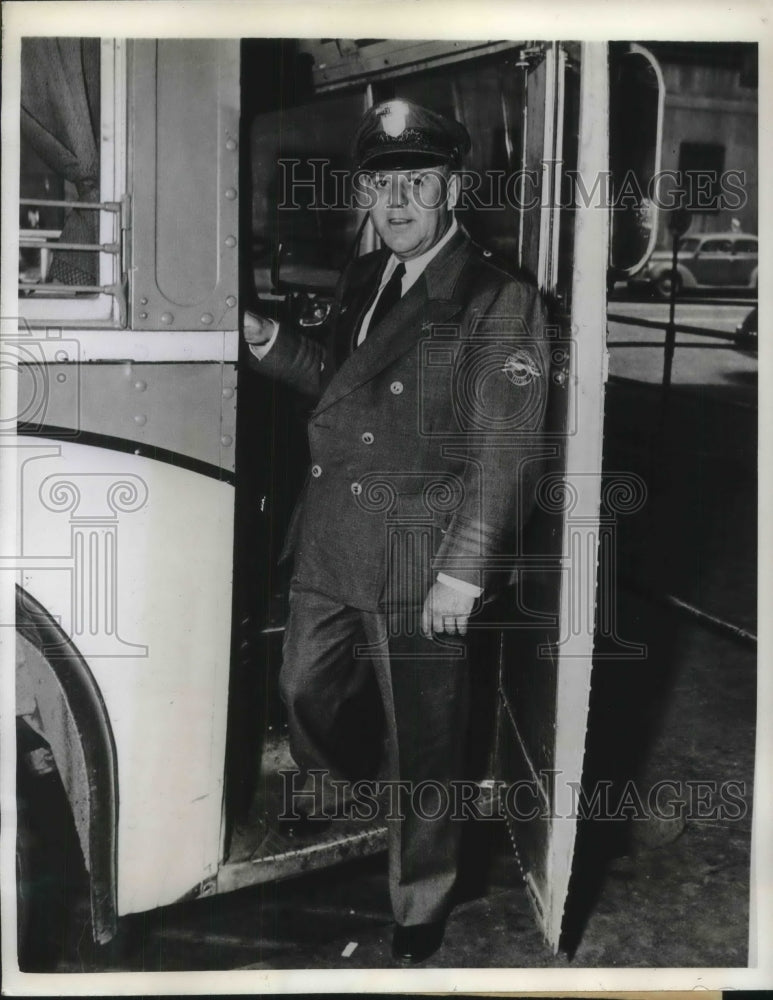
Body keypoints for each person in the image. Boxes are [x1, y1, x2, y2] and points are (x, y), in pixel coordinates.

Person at [244, 98, 549, 963]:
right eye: (383, 183)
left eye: (419, 180)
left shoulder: (496, 299)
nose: (399, 201)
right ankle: (344, 785)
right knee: (302, 685)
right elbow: (342, 389)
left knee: (427, 744)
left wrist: (463, 571)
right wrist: (267, 341)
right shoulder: (367, 277)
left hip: (420, 558)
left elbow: (507, 448)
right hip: (334, 538)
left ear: (452, 188)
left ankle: (420, 900)